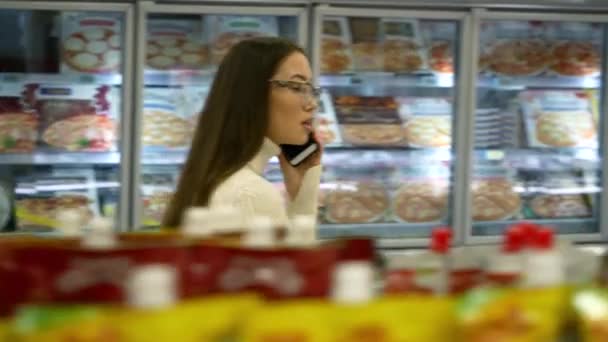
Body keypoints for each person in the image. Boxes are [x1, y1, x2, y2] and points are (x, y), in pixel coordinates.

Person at [162, 37, 322, 228]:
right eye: (296, 87)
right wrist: (304, 203)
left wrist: (302, 192)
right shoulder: (251, 194)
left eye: (310, 89)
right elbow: (296, 259)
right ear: (253, 94)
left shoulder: (212, 178)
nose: (312, 104)